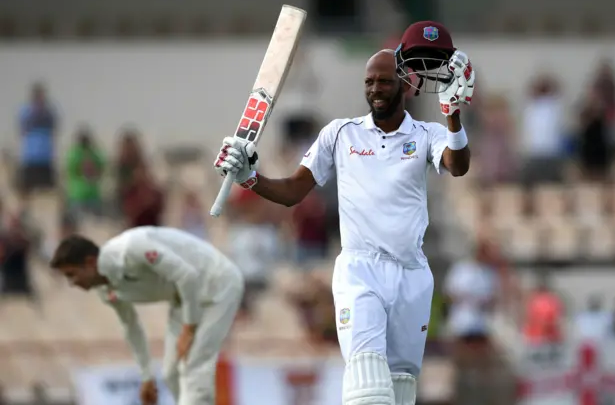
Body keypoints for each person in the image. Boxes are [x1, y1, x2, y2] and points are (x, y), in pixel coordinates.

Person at [214, 21, 475, 405]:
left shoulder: (426, 134)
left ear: (405, 84)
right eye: (369, 81)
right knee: (369, 389)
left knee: (401, 391)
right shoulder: (340, 133)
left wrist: (452, 115)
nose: (374, 89)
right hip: (360, 270)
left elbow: (458, 165)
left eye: (384, 81)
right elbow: (292, 192)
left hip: (412, 274)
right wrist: (249, 177)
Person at [49, 226, 244, 405]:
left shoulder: (133, 249)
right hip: (183, 299)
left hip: (218, 282)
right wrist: (146, 376)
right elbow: (131, 326)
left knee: (193, 366)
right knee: (170, 374)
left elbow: (187, 275)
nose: (71, 283)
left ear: (90, 262)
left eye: (71, 274)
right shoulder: (104, 290)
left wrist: (189, 327)